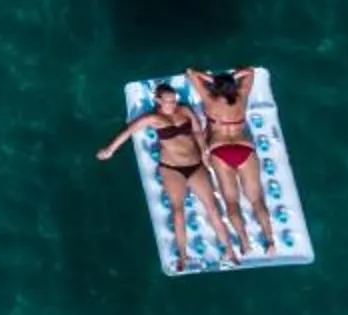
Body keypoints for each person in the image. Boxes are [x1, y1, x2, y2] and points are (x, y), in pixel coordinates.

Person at [98, 80, 239, 270]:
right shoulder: (152, 119)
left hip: (195, 165)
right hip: (172, 168)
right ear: (158, 100)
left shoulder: (185, 110)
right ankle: (183, 256)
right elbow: (129, 132)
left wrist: (205, 151)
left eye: (174, 100)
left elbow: (197, 131)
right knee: (178, 210)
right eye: (168, 101)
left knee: (212, 209)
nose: (172, 104)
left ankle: (229, 251)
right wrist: (110, 150)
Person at [187, 67, 271, 255]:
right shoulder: (242, 96)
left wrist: (210, 78)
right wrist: (232, 78)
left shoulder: (210, 100)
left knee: (231, 201)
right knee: (257, 199)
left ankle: (244, 241)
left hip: (220, 150)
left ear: (217, 88)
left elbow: (191, 73)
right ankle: (270, 239)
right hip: (245, 148)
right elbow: (250, 72)